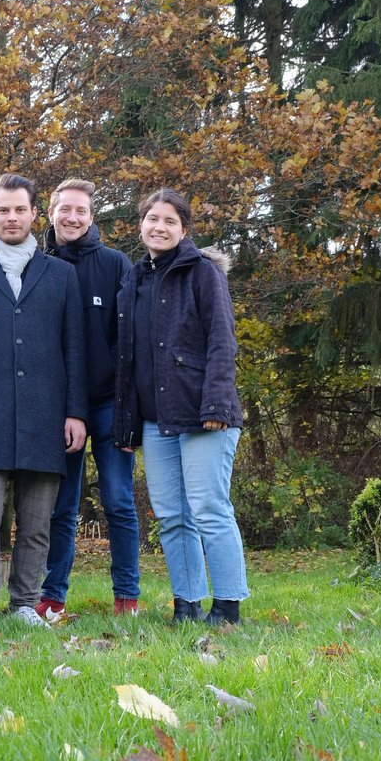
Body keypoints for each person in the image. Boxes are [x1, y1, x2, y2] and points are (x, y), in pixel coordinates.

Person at [0, 173, 88, 628]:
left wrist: (76, 413)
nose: (11, 217)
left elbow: (75, 350)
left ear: (33, 214)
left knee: (36, 522)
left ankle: (25, 603)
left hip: (46, 418)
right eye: (2, 210)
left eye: (19, 209)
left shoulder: (62, 275)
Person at [113, 188, 247, 625]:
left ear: (184, 229)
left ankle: (227, 607)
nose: (160, 227)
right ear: (141, 225)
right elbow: (129, 359)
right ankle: (186, 604)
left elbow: (223, 342)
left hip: (204, 415)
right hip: (156, 420)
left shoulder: (203, 272)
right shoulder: (133, 279)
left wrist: (216, 405)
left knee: (209, 508)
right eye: (153, 219)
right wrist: (128, 425)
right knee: (171, 516)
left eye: (170, 221)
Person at [36, 179, 140, 620]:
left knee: (118, 500)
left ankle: (127, 597)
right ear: (51, 213)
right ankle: (52, 596)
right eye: (65, 209)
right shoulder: (36, 265)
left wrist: (130, 408)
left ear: (92, 216)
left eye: (81, 210)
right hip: (58, 408)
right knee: (61, 505)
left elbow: (132, 339)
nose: (73, 218)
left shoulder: (117, 265)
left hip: (108, 405)